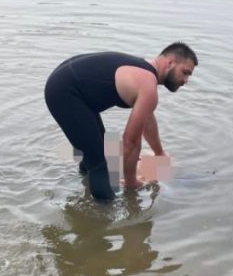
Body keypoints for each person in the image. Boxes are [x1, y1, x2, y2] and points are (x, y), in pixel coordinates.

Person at [44, 43, 198, 202]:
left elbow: (148, 121)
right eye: (185, 72)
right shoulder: (147, 84)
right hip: (65, 92)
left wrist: (159, 153)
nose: (186, 80)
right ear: (170, 62)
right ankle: (102, 219)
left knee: (95, 151)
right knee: (101, 165)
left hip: (68, 86)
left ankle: (85, 184)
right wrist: (132, 183)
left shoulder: (144, 72)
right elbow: (130, 142)